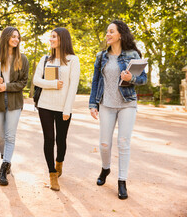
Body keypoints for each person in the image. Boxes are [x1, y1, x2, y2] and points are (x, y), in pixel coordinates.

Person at [89, 20, 147, 199]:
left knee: (124, 142)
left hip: (127, 104)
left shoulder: (133, 54)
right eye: (107, 32)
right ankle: (105, 168)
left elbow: (143, 79)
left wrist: (132, 78)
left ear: (120, 34)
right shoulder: (101, 56)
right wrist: (93, 104)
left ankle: (122, 181)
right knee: (104, 144)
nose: (108, 34)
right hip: (106, 104)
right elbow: (96, 81)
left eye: (111, 32)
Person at [33, 27, 80, 191]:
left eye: (54, 37)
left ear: (62, 39)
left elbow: (73, 86)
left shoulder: (73, 60)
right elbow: (36, 80)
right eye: (51, 37)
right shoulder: (45, 59)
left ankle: (59, 162)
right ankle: (52, 174)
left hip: (63, 108)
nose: (51, 39)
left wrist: (67, 109)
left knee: (61, 139)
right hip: (45, 105)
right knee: (49, 139)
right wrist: (53, 84)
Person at [0, 27, 29, 186]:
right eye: (13, 36)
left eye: (18, 37)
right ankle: (6, 158)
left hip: (14, 103)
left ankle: (3, 168)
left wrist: (7, 86)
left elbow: (24, 82)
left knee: (10, 136)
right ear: (6, 38)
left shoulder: (23, 59)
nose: (16, 39)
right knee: (0, 136)